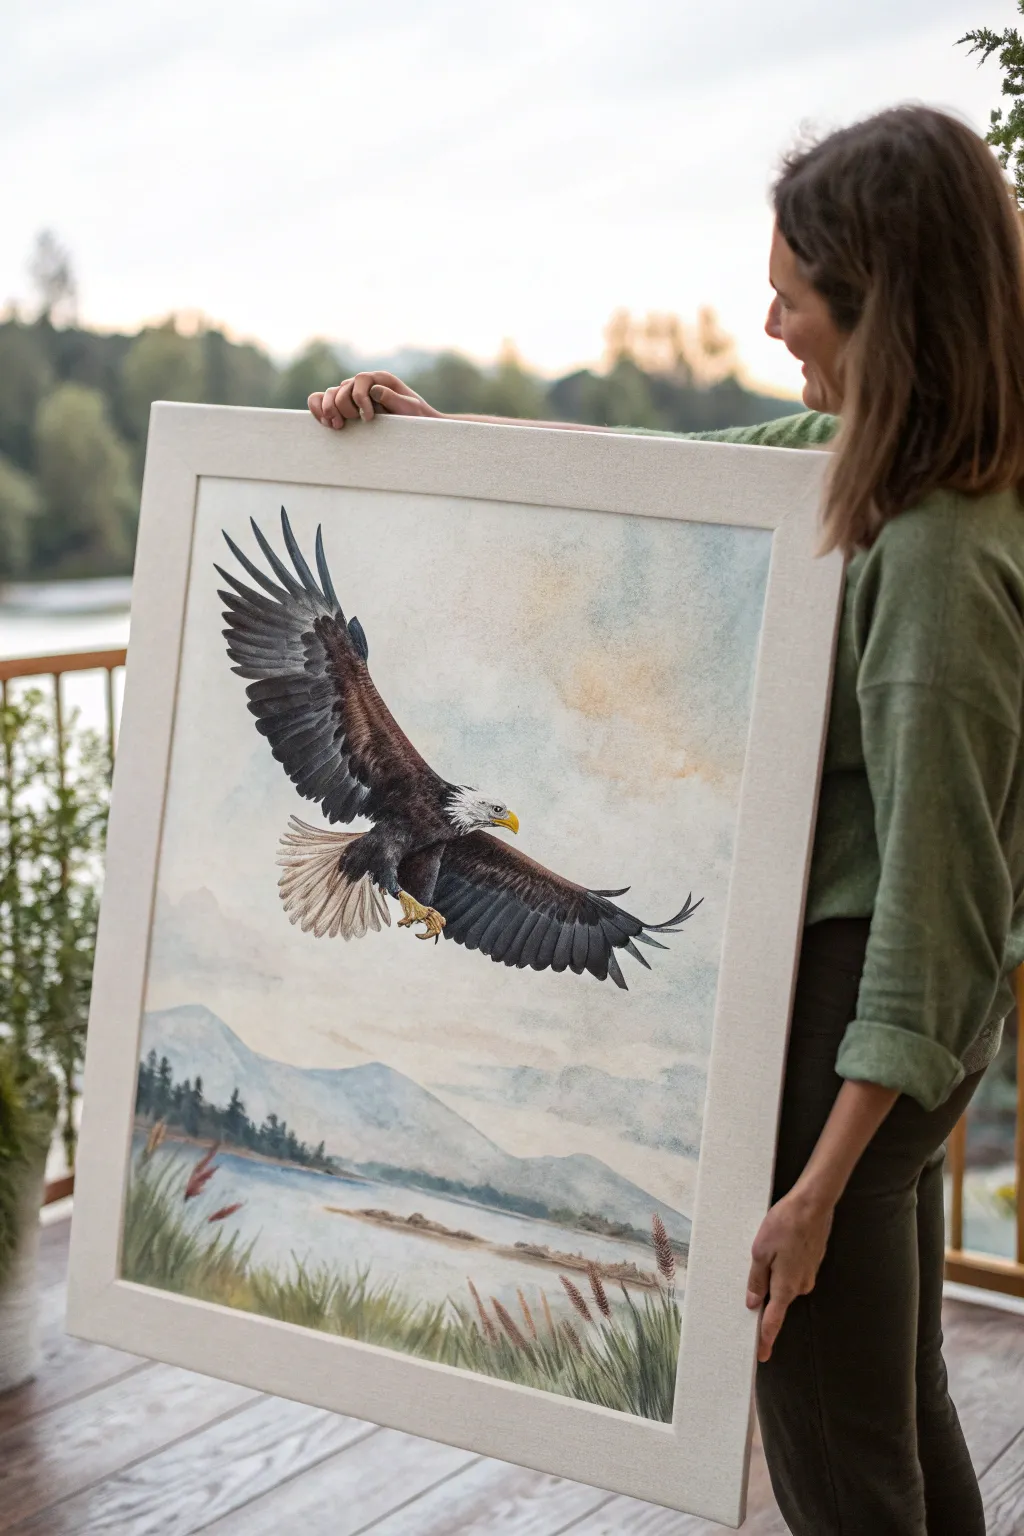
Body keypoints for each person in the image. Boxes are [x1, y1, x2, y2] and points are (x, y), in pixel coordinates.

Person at [309, 105, 1024, 1535]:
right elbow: (658, 481)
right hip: (886, 1038)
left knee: (834, 1458)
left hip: (852, 1041)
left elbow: (934, 910)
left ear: (884, 313)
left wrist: (811, 1187)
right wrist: (433, 440)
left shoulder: (938, 558)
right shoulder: (871, 466)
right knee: (897, 1411)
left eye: (794, 295)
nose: (770, 325)